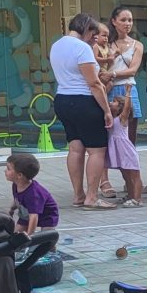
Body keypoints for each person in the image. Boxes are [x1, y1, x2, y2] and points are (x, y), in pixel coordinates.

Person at [51, 13, 116, 210]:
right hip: (84, 101)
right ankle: (92, 196)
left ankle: (78, 194)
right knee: (96, 150)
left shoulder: (57, 45)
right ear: (85, 29)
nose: (93, 39)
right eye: (93, 34)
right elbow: (94, 84)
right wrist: (106, 110)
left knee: (75, 148)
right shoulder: (81, 48)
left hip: (62, 99)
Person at [97, 8, 146, 201]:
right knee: (105, 135)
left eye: (130, 20)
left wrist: (114, 74)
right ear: (114, 21)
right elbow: (100, 68)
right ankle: (104, 180)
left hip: (127, 88)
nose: (127, 23)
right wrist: (110, 66)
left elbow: (133, 69)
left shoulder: (137, 45)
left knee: (128, 137)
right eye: (123, 20)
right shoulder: (106, 43)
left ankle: (131, 178)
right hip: (109, 89)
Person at [5, 152, 59, 235]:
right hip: (26, 213)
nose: (5, 171)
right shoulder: (16, 184)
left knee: (46, 236)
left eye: (8, 169)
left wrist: (29, 235)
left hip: (47, 215)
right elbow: (17, 198)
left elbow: (33, 217)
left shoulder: (33, 194)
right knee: (17, 235)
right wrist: (12, 208)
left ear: (19, 175)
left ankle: (51, 245)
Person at [106, 94, 143, 207]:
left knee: (135, 175)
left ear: (120, 107)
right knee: (126, 175)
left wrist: (128, 93)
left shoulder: (122, 118)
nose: (111, 102)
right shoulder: (111, 118)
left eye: (115, 101)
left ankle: (137, 199)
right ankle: (131, 196)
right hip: (119, 151)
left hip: (126, 151)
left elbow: (127, 108)